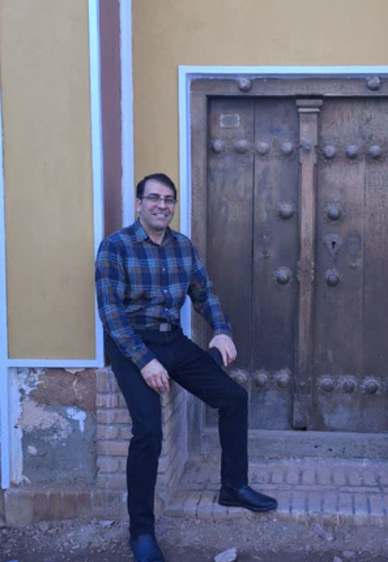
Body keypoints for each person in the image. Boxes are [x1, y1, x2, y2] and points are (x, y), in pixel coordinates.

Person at [95, 173, 277, 562]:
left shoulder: (182, 246)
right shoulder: (115, 247)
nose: (162, 205)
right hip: (132, 344)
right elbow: (111, 314)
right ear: (139, 204)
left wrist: (221, 330)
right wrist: (144, 361)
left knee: (233, 398)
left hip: (172, 340)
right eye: (154, 198)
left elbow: (204, 294)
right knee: (148, 431)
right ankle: (141, 531)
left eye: (168, 200)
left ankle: (233, 487)